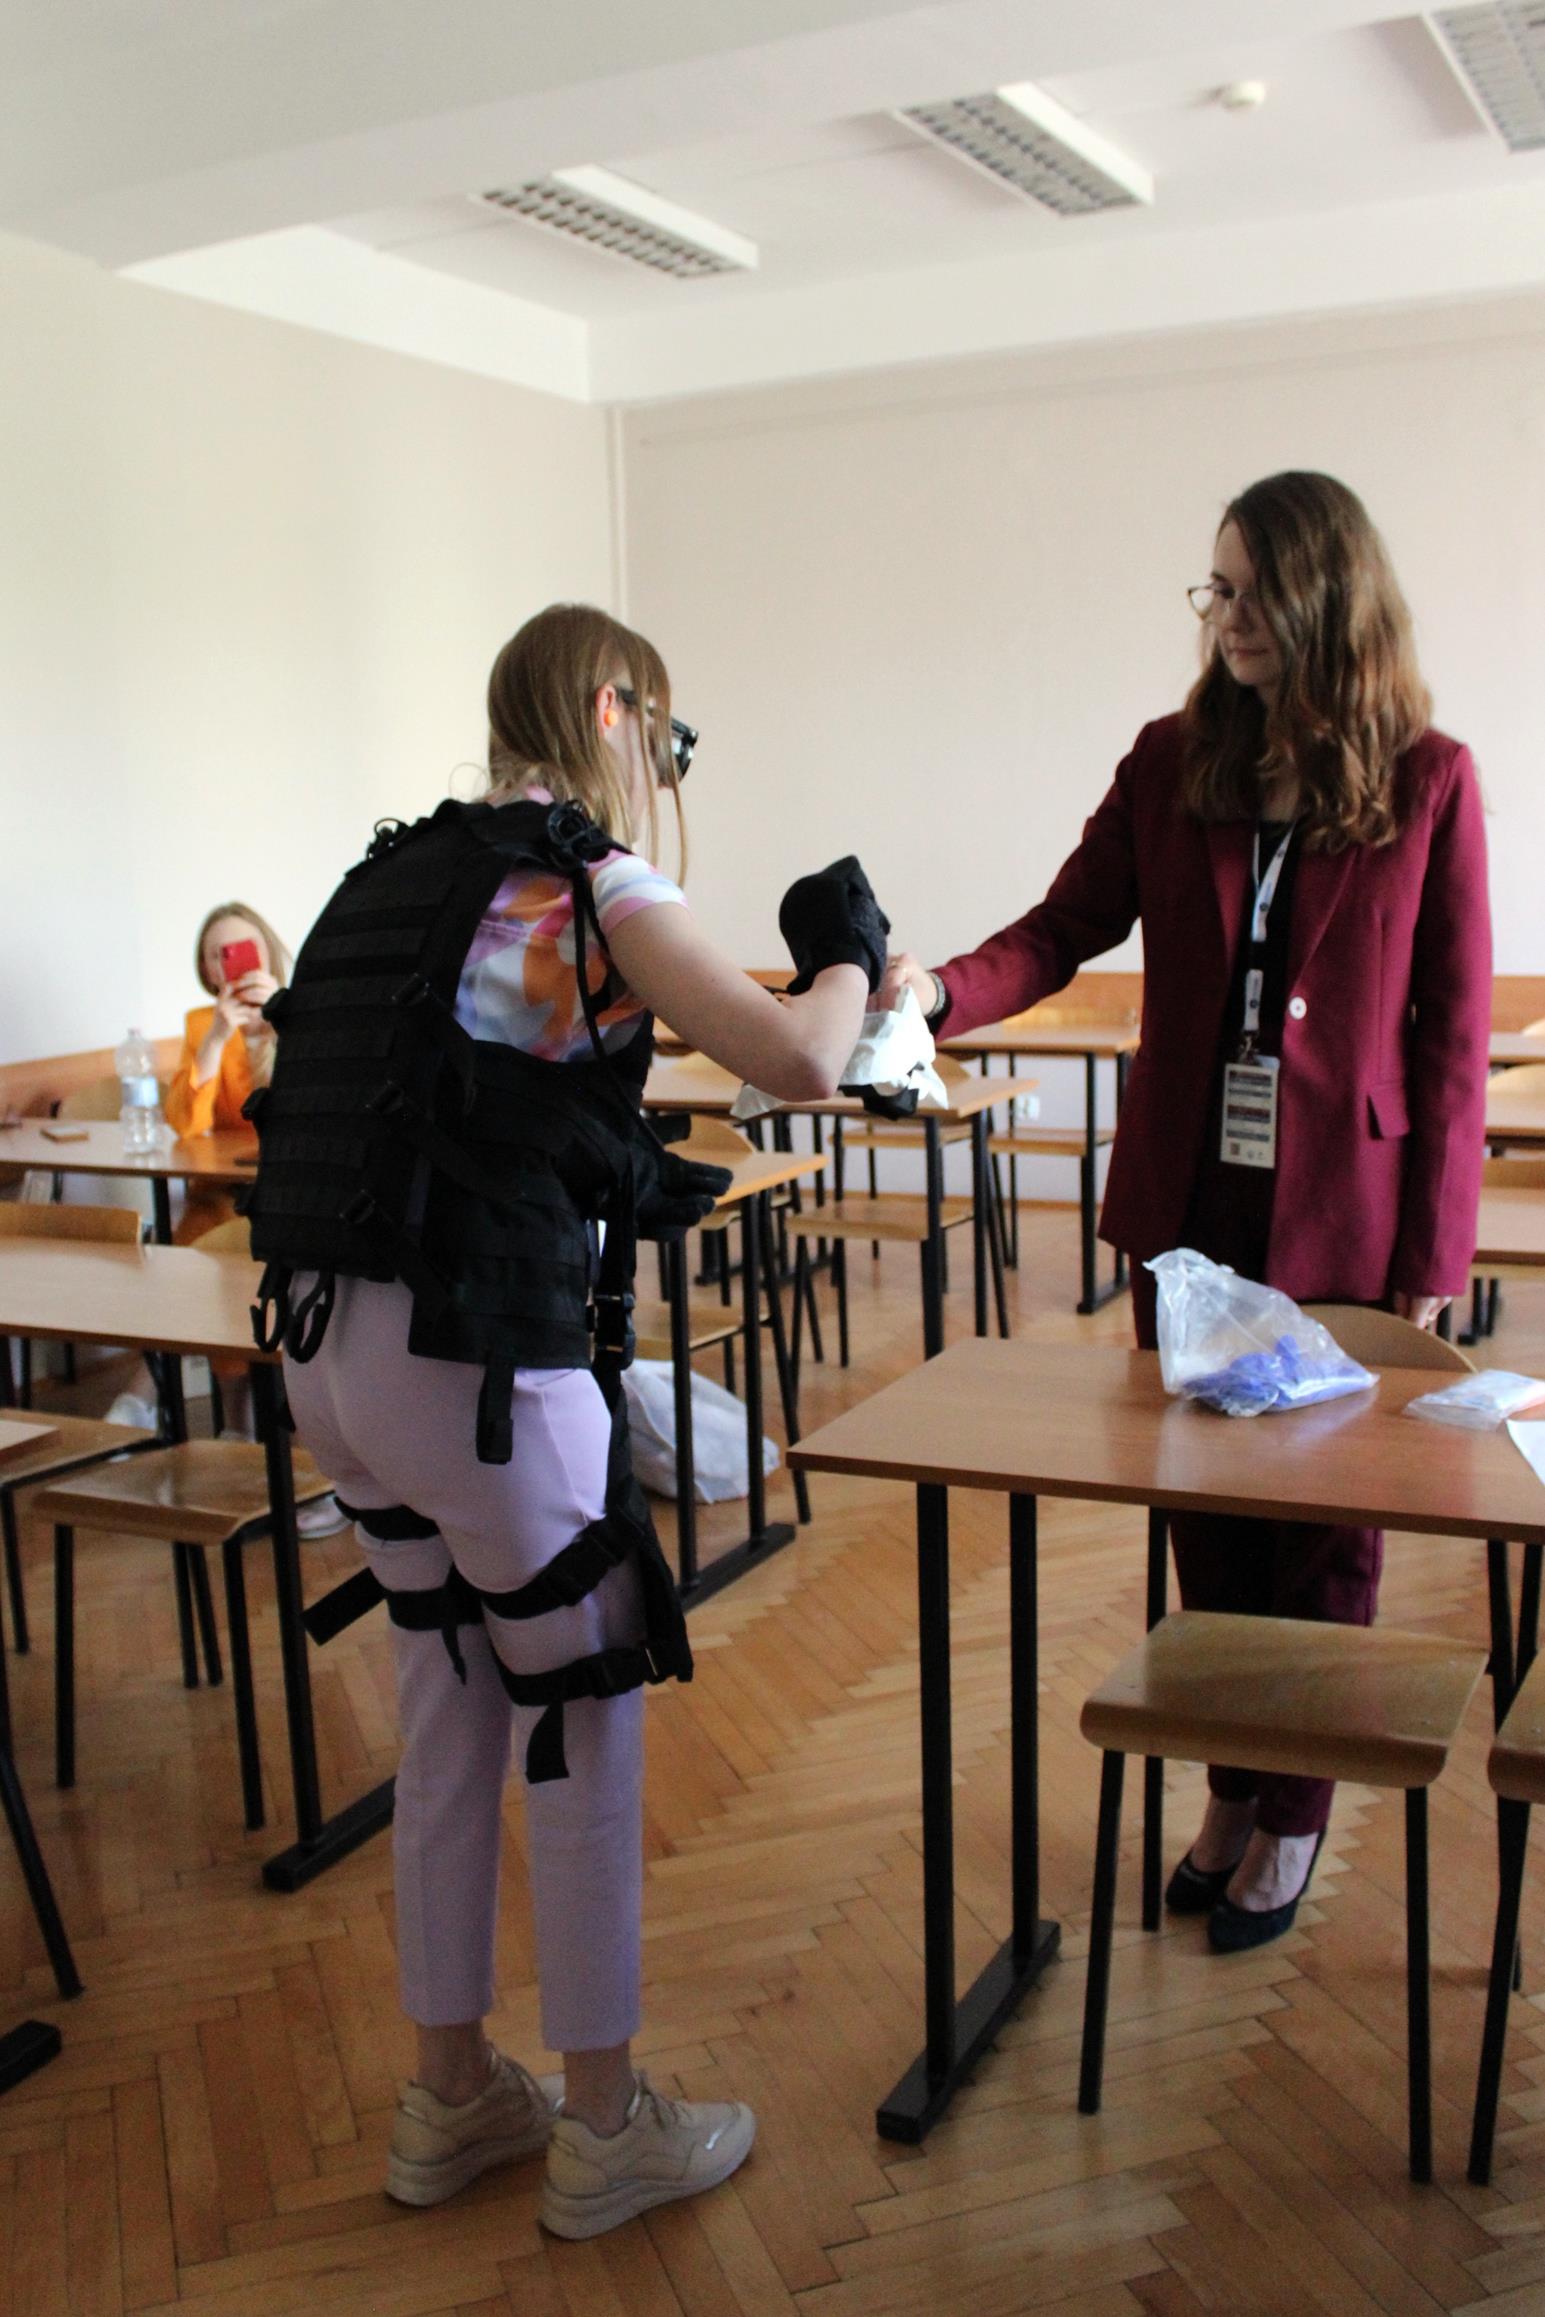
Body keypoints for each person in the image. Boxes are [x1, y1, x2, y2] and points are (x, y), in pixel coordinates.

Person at [256, 604, 881, 2235]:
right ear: (612, 710)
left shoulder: (387, 875)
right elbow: (798, 1060)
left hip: (326, 1360)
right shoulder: (588, 880)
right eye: (668, 738)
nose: (665, 768)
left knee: (449, 1697)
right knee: (583, 1707)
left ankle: (447, 2091)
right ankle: (605, 2121)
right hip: (478, 1369)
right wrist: (847, 954)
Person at [886, 471, 1491, 1951]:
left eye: (1252, 589)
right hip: (1191, 1197)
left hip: (1347, 1209)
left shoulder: (1428, 777)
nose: (1225, 616)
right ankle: (1229, 1783)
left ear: (1330, 595)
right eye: (1214, 588)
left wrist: (1433, 1250)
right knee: (1204, 1511)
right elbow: (1061, 927)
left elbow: (1451, 1035)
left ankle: (1295, 1807)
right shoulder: (1171, 759)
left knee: (1323, 1534)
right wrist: (933, 995)